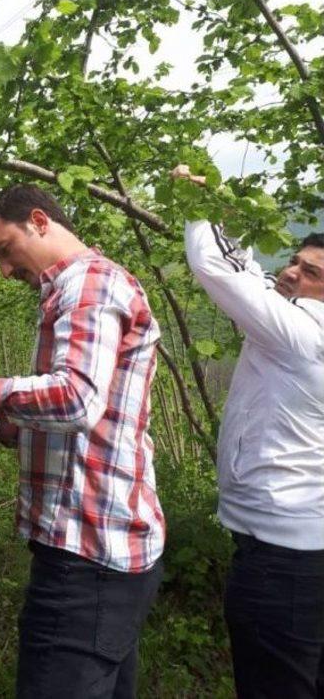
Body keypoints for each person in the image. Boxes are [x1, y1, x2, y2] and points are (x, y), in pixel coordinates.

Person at [0, 183, 165, 699]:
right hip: (102, 554)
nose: (4, 271)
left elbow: (75, 400)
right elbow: (58, 431)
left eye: (4, 251)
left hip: (88, 560)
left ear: (38, 220)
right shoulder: (69, 292)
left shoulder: (90, 284)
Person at [172, 164, 324, 698]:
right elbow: (254, 277)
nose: (289, 273)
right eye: (294, 261)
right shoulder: (301, 326)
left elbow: (216, 267)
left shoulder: (302, 334)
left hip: (280, 559)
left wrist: (197, 199)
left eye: (310, 273)